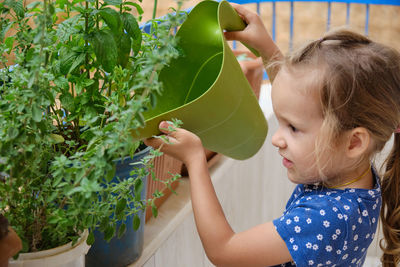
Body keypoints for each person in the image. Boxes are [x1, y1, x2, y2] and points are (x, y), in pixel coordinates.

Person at [145, 3, 400, 266]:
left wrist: (195, 160)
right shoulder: (355, 172)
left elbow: (224, 251)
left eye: (293, 128)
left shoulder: (323, 219)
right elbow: (305, 106)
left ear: (354, 142)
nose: (277, 139)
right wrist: (267, 48)